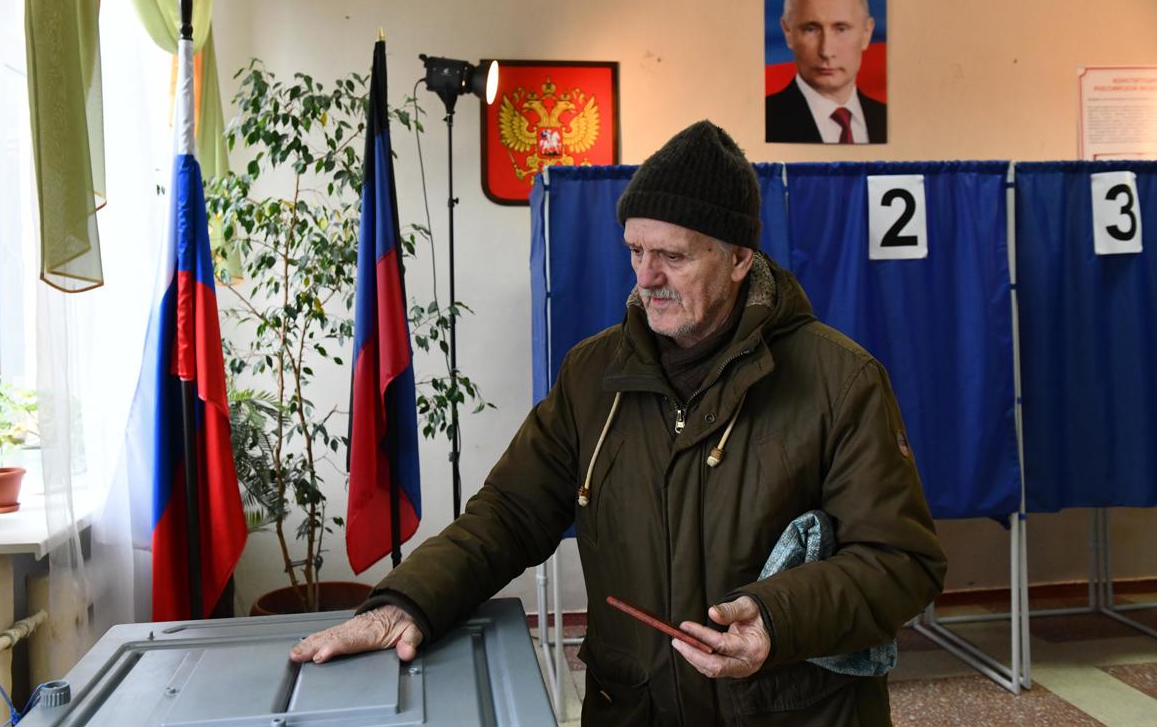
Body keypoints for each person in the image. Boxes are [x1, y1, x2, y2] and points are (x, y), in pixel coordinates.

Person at [291, 120, 945, 726]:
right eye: (635, 249)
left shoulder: (841, 381)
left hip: (791, 710)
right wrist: (404, 602)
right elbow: (509, 513)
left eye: (674, 256)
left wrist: (779, 615)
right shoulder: (592, 374)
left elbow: (902, 562)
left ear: (740, 257)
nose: (647, 277)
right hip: (632, 709)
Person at [766, 0, 888, 144]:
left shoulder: (885, 118)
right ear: (788, 32)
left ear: (866, 33)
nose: (826, 51)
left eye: (841, 29)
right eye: (811, 29)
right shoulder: (768, 119)